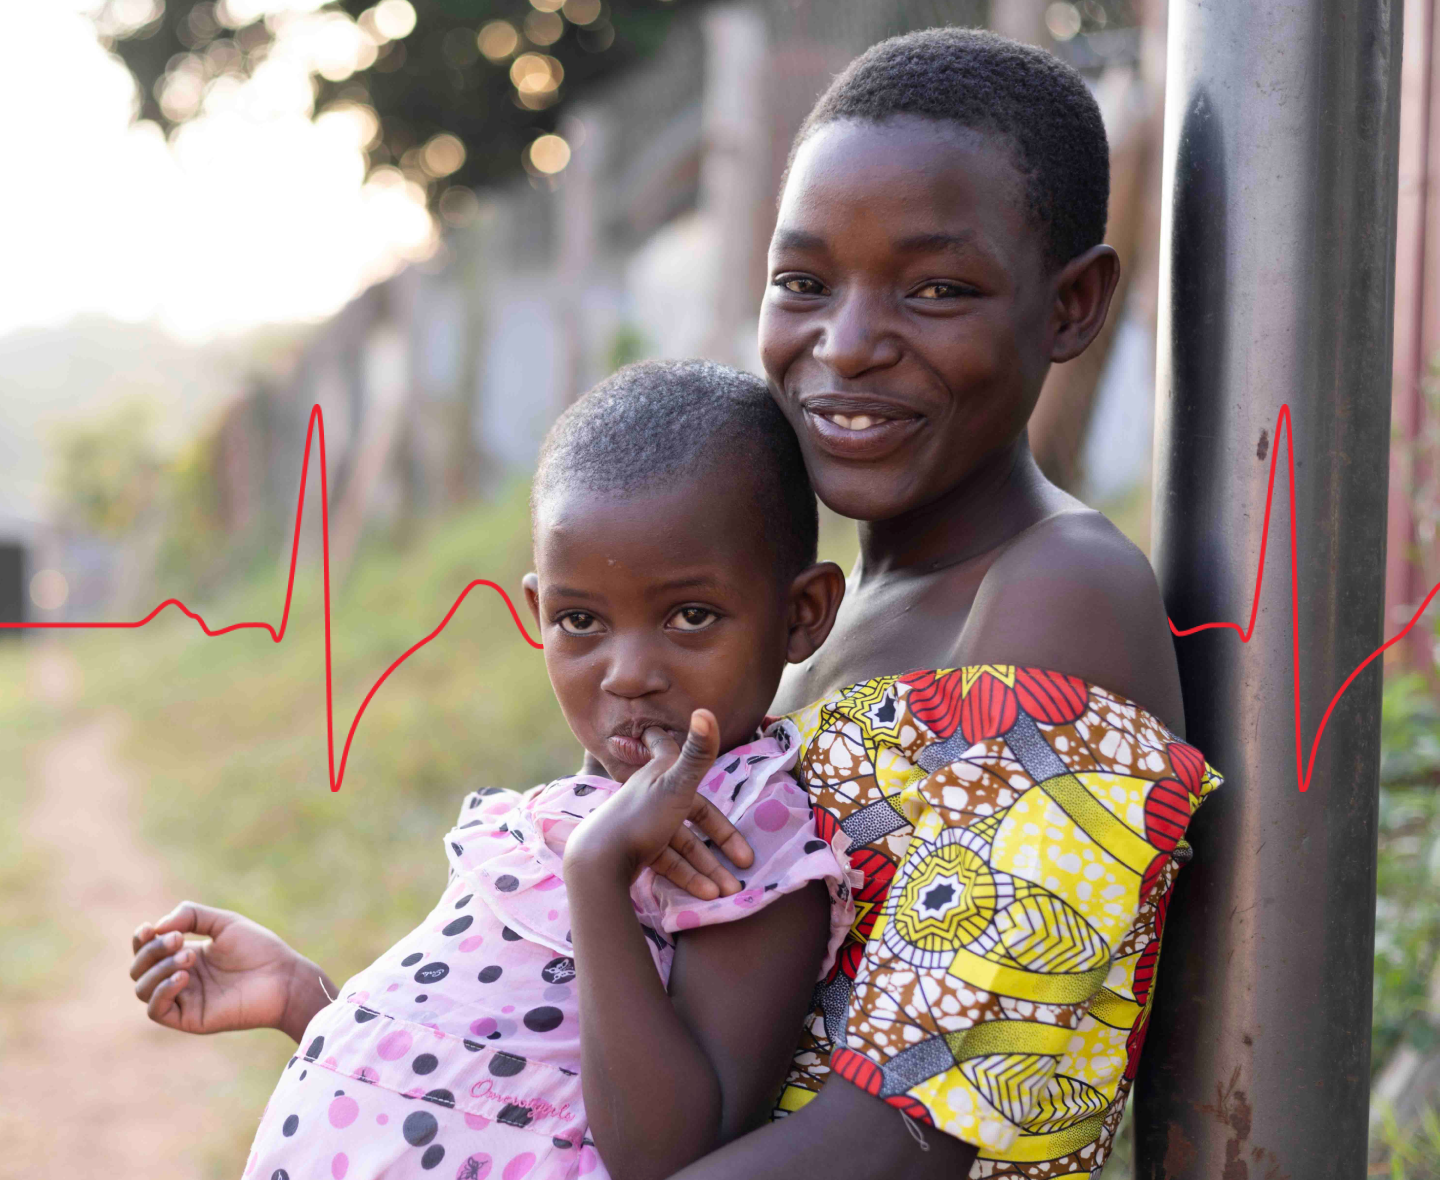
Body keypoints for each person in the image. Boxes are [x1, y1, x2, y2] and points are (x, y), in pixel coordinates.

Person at [662, 28, 1223, 1180]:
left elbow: (896, 1144)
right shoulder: (811, 619)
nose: (848, 344)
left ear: (1072, 306)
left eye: (936, 290)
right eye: (803, 282)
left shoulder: (1057, 596)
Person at [127, 360, 859, 1180]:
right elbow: (488, 1086)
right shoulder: (543, 817)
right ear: (534, 612)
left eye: (690, 616)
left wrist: (598, 874)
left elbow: (672, 1156)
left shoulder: (739, 834)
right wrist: (305, 998)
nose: (625, 673)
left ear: (802, 614)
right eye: (580, 620)